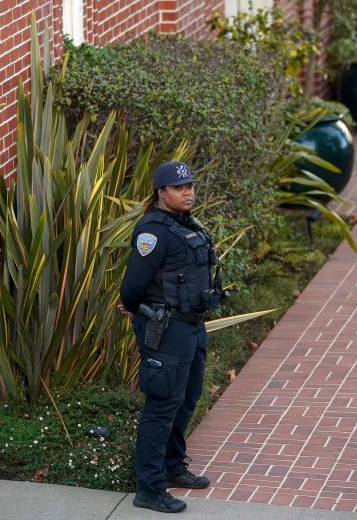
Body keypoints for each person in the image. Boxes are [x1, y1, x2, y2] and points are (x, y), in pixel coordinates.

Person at [119, 160, 221, 514]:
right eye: (179, 188)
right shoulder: (154, 232)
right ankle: (149, 488)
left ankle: (173, 465)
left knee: (188, 398)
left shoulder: (187, 225)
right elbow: (131, 287)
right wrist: (138, 310)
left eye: (190, 185)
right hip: (165, 329)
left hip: (192, 326)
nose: (187, 192)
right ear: (161, 193)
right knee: (162, 405)